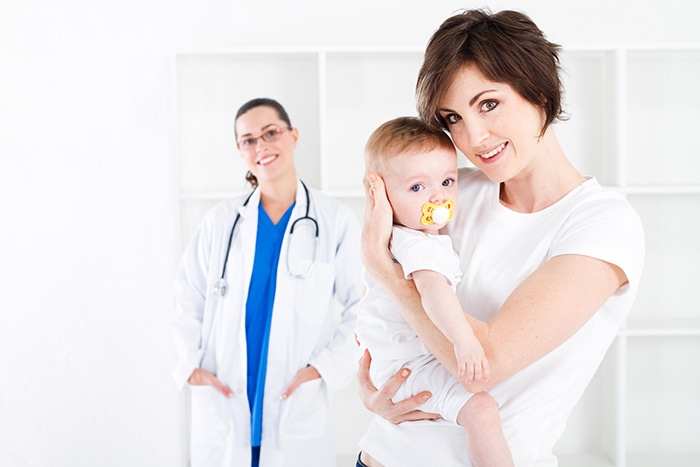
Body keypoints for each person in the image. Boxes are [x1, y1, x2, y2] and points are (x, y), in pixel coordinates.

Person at [357, 9, 645, 467]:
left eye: (488, 104)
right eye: (452, 117)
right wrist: (372, 389)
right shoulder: (451, 191)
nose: (472, 136)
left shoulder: (603, 224)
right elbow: (380, 320)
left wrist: (385, 271)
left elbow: (483, 361)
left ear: (540, 90)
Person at [171, 97, 363, 467]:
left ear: (292, 136)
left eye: (270, 133)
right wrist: (190, 365)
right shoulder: (222, 222)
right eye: (248, 140)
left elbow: (364, 308)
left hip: (294, 398)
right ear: (240, 151)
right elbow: (186, 299)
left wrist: (324, 368)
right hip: (225, 395)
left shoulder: (333, 220)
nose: (261, 146)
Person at [355, 116, 514, 467]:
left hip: (399, 362)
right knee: (482, 410)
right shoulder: (417, 245)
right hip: (408, 366)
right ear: (380, 195)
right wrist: (465, 342)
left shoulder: (406, 237)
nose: (438, 197)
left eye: (447, 181)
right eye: (417, 188)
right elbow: (434, 295)